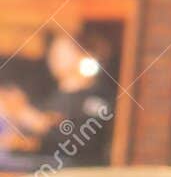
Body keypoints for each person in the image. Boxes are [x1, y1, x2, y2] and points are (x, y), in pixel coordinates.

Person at [0, 31, 115, 165]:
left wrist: (28, 116)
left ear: (83, 53)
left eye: (63, 50)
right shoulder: (52, 97)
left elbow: (81, 141)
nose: (55, 56)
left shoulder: (96, 99)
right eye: (54, 50)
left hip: (73, 173)